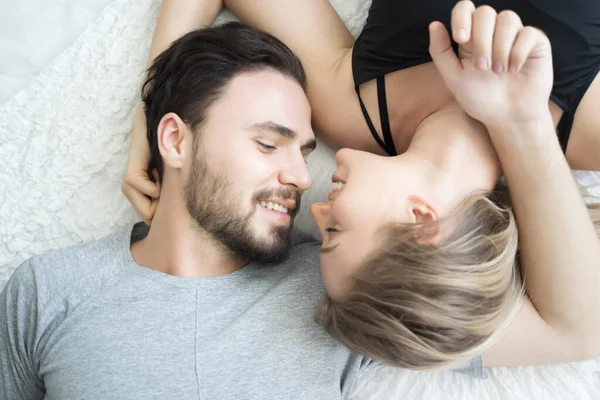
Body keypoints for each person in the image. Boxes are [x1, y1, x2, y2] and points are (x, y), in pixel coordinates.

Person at [123, 0, 600, 370]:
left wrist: (154, 107)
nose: (314, 211)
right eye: (336, 233)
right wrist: (523, 124)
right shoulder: (587, 127)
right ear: (420, 222)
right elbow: (580, 334)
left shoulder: (349, 107)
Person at [1, 23, 388, 399]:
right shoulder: (48, 291)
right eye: (268, 144)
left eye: (304, 153)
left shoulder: (337, 282)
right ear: (174, 141)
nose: (303, 178)